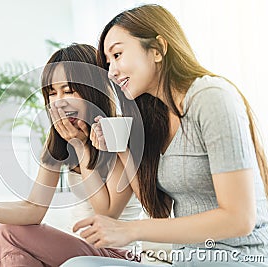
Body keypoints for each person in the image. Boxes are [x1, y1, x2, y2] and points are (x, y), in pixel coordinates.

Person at [62, 4, 268, 266]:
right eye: (108, 61)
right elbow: (156, 207)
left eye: (118, 54)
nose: (111, 71)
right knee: (79, 264)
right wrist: (120, 148)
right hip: (189, 259)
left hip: (236, 257)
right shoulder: (154, 117)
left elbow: (240, 219)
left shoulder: (211, 97)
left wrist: (130, 230)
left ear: (158, 49)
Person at [0, 44, 142, 267]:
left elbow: (107, 214)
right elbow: (34, 209)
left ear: (93, 89)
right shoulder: (59, 139)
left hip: (118, 254)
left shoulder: (117, 132)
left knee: (7, 235)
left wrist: (81, 147)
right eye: (52, 93)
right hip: (79, 253)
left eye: (68, 90)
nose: (59, 101)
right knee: (13, 252)